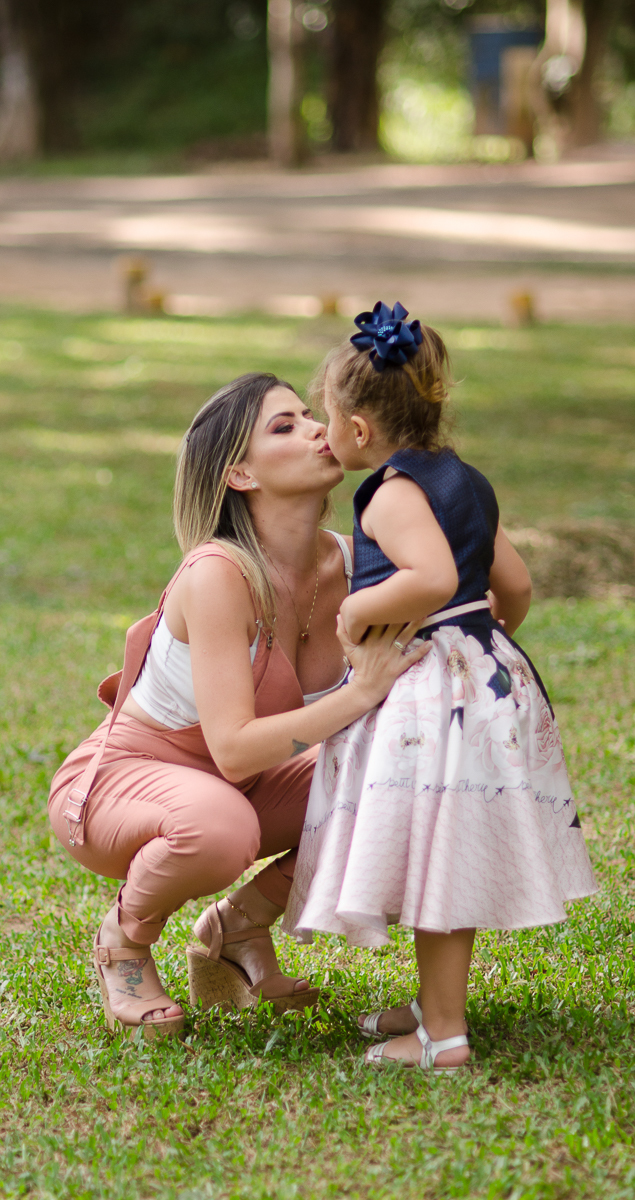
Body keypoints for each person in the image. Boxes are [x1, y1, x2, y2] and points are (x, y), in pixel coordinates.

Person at [47, 371, 429, 1040]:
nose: (316, 428)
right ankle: (124, 940)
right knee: (220, 829)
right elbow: (233, 747)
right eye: (283, 426)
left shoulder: (359, 564)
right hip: (123, 785)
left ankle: (234, 930)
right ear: (241, 476)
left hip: (246, 788)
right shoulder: (218, 573)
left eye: (311, 415)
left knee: (408, 781)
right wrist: (360, 693)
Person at [284, 303, 597, 1075]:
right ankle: (433, 1005)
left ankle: (442, 1038)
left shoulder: (390, 494)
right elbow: (512, 584)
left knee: (435, 865)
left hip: (437, 700)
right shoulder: (465, 480)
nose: (323, 433)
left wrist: (358, 609)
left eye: (326, 418)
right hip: (486, 679)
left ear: (359, 430)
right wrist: (486, 634)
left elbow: (429, 577)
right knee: (441, 856)